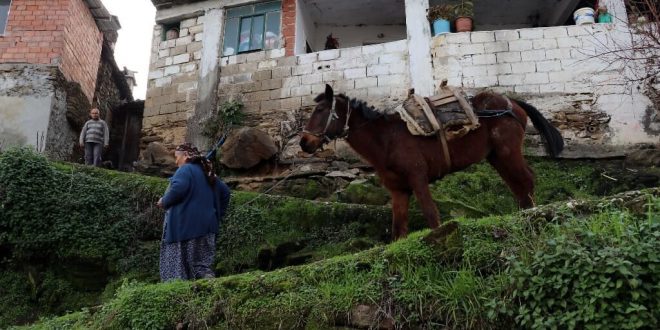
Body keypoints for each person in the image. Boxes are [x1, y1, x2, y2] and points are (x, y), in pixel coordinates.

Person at [157, 143, 231, 281]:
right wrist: (217, 214)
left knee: (178, 271)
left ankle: (179, 298)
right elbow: (225, 193)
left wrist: (164, 201)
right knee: (201, 267)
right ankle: (207, 292)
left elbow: (178, 189)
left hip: (183, 229)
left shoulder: (185, 170)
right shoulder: (208, 174)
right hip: (208, 227)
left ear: (185, 156)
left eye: (176, 157)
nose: (176, 161)